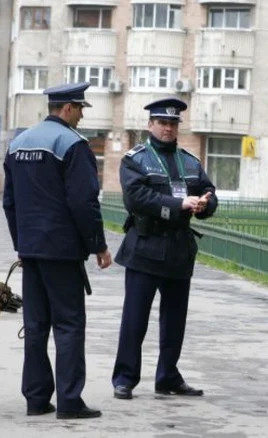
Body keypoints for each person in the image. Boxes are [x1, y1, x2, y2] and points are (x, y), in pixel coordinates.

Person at [2, 82, 112, 420]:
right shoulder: (72, 145)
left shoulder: (17, 144)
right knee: (68, 325)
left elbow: (10, 203)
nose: (80, 116)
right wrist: (99, 245)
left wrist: (21, 244)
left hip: (31, 251)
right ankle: (69, 401)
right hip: (62, 252)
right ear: (67, 108)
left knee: (35, 326)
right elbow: (83, 202)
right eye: (80, 109)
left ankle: (36, 399)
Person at [111, 97, 217, 401]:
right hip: (146, 245)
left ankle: (168, 376)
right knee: (135, 319)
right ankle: (125, 378)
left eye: (173, 123)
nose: (168, 128)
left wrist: (206, 203)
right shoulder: (135, 159)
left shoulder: (190, 162)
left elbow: (209, 192)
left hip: (179, 249)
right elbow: (136, 198)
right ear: (150, 125)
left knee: (174, 320)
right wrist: (177, 204)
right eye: (162, 123)